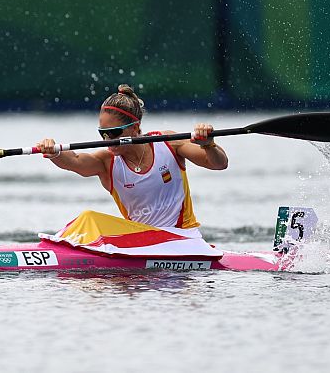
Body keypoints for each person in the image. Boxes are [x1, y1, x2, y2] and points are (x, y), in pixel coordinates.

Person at [36, 84, 228, 257]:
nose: (107, 139)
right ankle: (51, 252)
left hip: (183, 240)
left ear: (135, 128)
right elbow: (75, 161)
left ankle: (55, 253)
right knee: (88, 219)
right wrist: (54, 152)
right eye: (102, 134)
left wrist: (208, 145)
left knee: (89, 217)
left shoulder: (168, 143)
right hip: (140, 244)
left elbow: (219, 164)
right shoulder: (107, 162)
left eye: (114, 133)